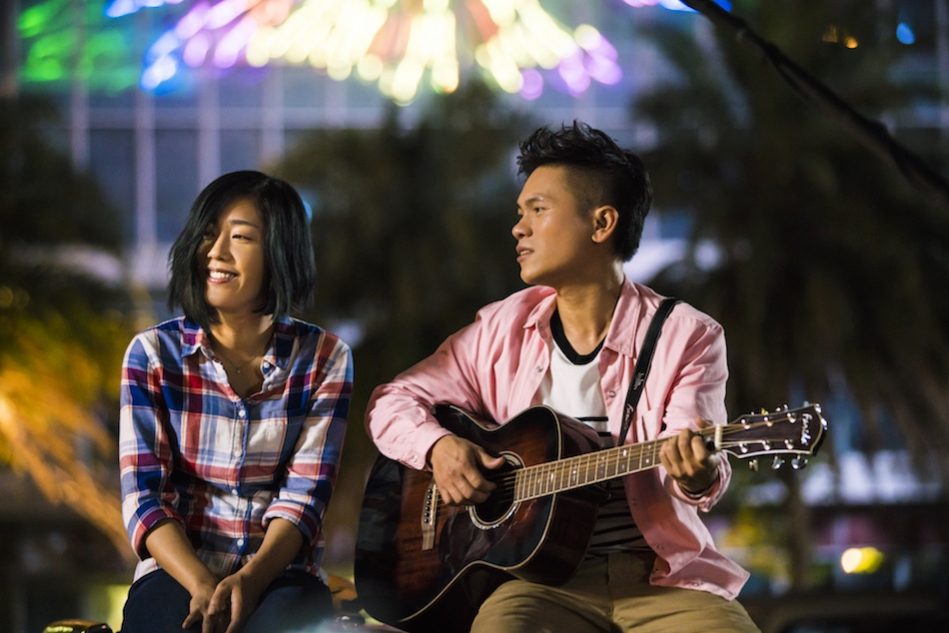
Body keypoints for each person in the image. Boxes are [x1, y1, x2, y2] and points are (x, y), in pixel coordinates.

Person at [365, 122, 759, 632]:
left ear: (602, 224)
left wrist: (697, 474)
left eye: (538, 210)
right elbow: (391, 401)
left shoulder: (686, 335)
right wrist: (438, 447)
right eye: (520, 213)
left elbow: (693, 459)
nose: (519, 228)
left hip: (662, 578)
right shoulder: (500, 329)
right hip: (538, 584)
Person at [119, 171, 352, 633]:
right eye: (208, 235)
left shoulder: (325, 358)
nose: (216, 252)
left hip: (280, 572)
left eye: (241, 237)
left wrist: (251, 579)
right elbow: (145, 497)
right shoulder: (152, 354)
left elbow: (304, 497)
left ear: (280, 252)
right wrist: (202, 584)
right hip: (177, 570)